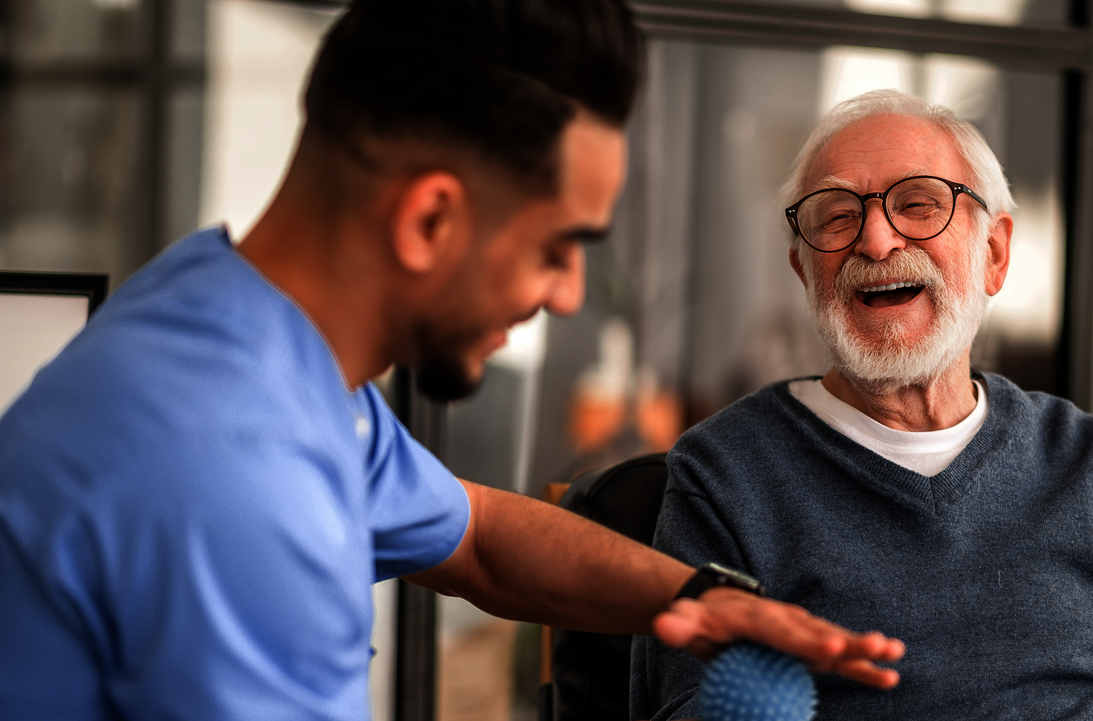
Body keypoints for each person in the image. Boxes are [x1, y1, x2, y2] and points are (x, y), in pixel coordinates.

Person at [0, 2, 907, 718]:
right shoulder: (229, 474)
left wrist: (704, 596)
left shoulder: (242, 335)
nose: (564, 294)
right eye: (558, 246)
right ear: (431, 219)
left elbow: (477, 538)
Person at [631, 89, 1093, 720]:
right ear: (805, 270)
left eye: (917, 204)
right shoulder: (725, 472)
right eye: (836, 215)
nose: (877, 240)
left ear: (994, 253)